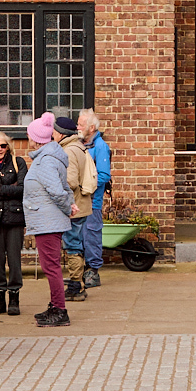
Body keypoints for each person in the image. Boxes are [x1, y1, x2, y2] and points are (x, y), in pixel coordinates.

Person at [24, 111, 74, 327]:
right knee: (50, 266)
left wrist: (67, 207)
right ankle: (55, 305)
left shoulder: (45, 160)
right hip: (46, 219)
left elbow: (56, 190)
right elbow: (63, 188)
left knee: (51, 267)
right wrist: (69, 204)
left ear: (34, 138)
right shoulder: (49, 157)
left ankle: (60, 310)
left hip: (48, 221)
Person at [0, 128, 26, 316]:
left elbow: (23, 189)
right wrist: (10, 188)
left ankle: (14, 296)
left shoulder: (18, 163)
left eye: (3, 145)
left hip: (14, 217)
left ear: (8, 146)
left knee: (15, 260)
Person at [56, 112, 98, 300]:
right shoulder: (79, 147)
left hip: (74, 205)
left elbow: (70, 181)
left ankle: (76, 286)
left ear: (62, 133)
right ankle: (77, 282)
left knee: (72, 245)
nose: (52, 135)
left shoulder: (68, 151)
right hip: (82, 204)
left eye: (55, 131)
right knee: (77, 243)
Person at [76, 108, 112, 288]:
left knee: (92, 235)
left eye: (80, 124)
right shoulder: (81, 145)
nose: (77, 127)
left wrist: (84, 184)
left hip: (92, 202)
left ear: (91, 128)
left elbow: (104, 175)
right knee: (80, 236)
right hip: (79, 201)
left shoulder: (100, 147)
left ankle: (93, 271)